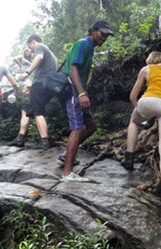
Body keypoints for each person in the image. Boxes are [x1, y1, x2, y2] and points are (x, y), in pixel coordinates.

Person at [121, 51, 161, 203]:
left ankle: (129, 157)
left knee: (134, 122)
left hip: (148, 102)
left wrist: (139, 109)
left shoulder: (146, 69)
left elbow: (132, 96)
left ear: (150, 61)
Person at [58, 20, 114, 182]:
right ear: (93, 31)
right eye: (102, 33)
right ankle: (67, 173)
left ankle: (65, 157)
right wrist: (81, 93)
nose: (104, 37)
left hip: (78, 92)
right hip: (73, 92)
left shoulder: (89, 48)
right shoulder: (83, 44)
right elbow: (73, 68)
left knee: (91, 126)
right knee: (77, 129)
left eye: (107, 35)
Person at [8, 35, 57, 150]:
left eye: (30, 47)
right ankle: (20, 138)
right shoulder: (50, 54)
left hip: (40, 84)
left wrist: (26, 73)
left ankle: (45, 142)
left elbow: (39, 57)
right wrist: (31, 85)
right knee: (26, 108)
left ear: (32, 42)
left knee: (37, 112)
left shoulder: (40, 46)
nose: (31, 50)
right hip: (47, 85)